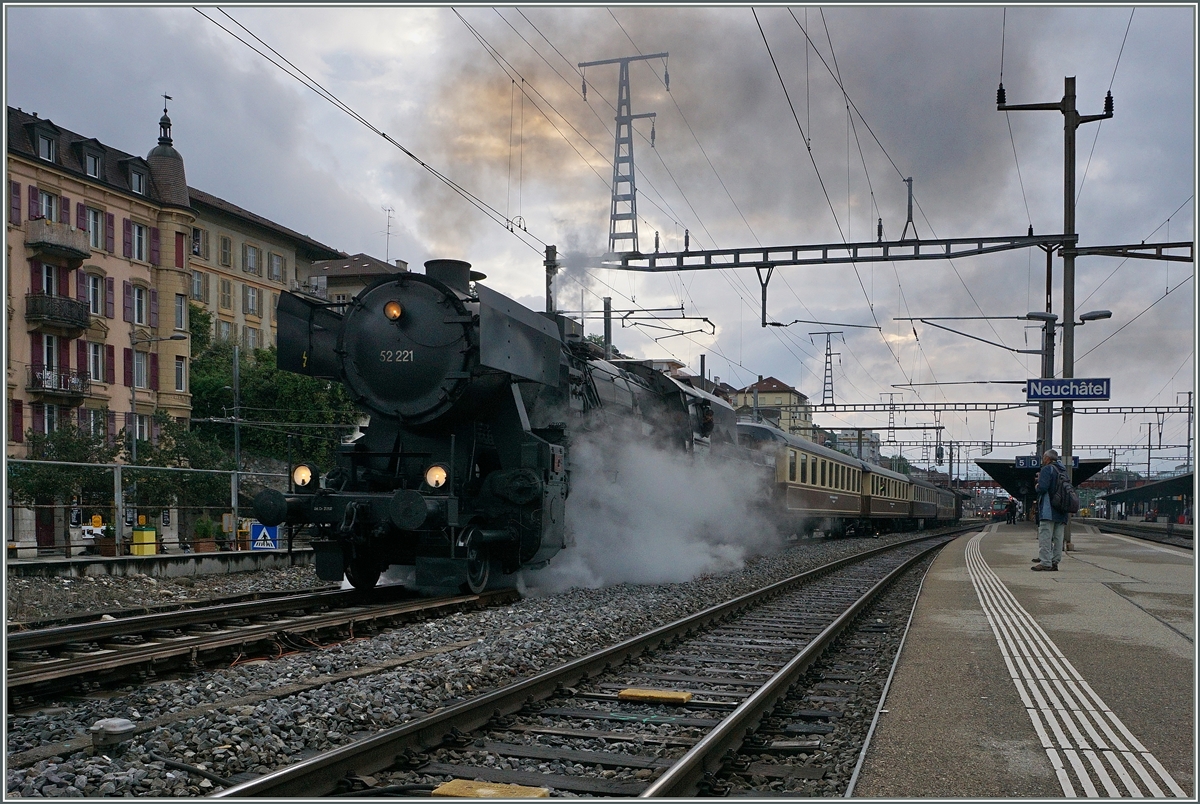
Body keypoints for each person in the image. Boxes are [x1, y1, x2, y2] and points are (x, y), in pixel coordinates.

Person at [1032, 449, 1068, 571]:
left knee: (1045, 537)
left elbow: (1042, 488)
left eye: (1043, 457)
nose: (1042, 459)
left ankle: (1045, 562)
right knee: (1058, 538)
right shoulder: (1063, 471)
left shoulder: (1047, 469)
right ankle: (1055, 562)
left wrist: (1037, 485)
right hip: (1062, 510)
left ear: (1047, 458)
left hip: (1049, 510)